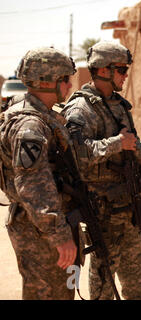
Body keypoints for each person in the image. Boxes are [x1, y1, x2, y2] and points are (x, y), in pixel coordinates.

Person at [61, 41, 141, 300]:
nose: (125, 75)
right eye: (121, 69)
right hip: (103, 213)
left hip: (130, 209)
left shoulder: (119, 105)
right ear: (103, 70)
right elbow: (76, 155)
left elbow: (129, 150)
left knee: (137, 287)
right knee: (104, 287)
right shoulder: (81, 109)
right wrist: (117, 143)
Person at [0, 47, 78, 299]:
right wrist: (59, 234)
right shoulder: (30, 125)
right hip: (39, 230)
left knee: (60, 292)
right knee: (48, 294)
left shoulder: (42, 117)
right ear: (47, 81)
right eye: (65, 79)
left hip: (43, 225)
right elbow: (32, 184)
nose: (69, 85)